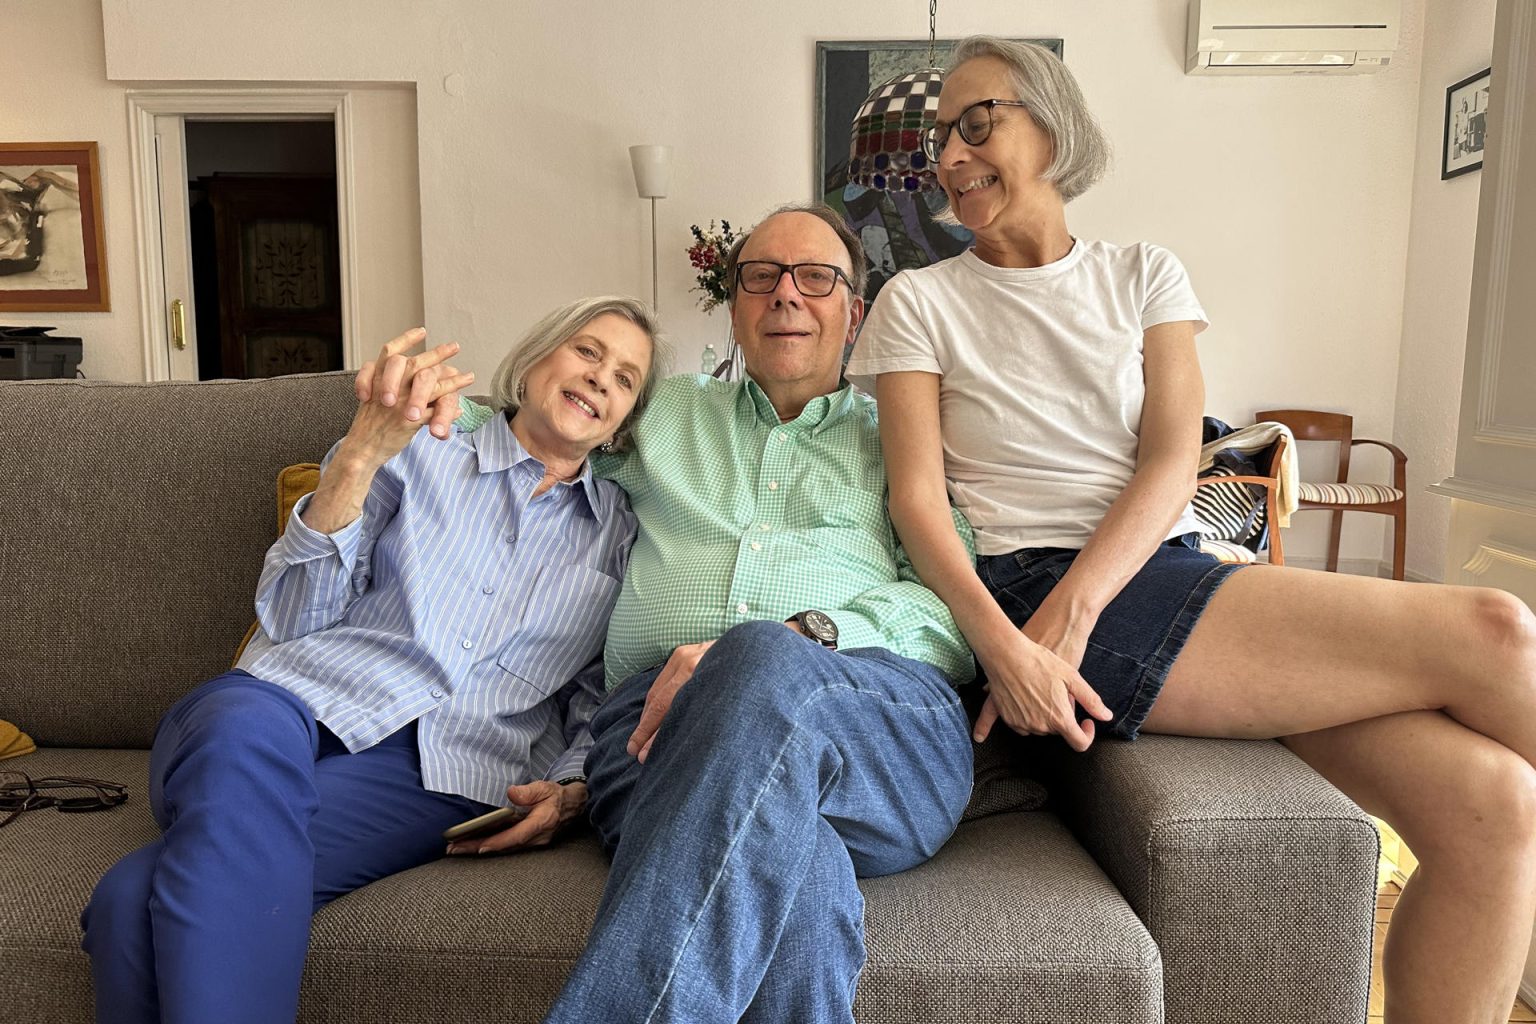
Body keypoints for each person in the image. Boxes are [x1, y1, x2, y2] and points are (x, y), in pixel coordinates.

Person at [846, 35, 1536, 1024]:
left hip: (1144, 574)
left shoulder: (1144, 273)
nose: (949, 155)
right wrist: (1011, 646)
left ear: (1051, 124)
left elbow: (1175, 460)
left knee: (1495, 805)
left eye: (976, 121)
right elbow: (917, 502)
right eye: (936, 138)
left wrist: (1080, 612)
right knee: (1497, 630)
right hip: (1031, 581)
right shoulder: (919, 301)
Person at [80, 296, 663, 1024]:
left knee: (128, 901)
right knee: (240, 734)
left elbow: (591, 693)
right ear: (536, 358)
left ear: (627, 419)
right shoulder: (416, 448)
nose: (602, 377)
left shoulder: (620, 535)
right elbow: (292, 618)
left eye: (627, 377)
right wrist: (359, 453)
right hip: (283, 705)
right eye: (587, 351)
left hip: (436, 773)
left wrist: (572, 788)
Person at [459, 204, 976, 1023]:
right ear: (734, 309)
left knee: (761, 657)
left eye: (816, 278)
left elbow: (951, 616)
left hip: (880, 719)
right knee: (795, 884)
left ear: (856, 313)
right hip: (650, 727)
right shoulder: (660, 414)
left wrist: (796, 639)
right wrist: (407, 413)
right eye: (760, 278)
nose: (786, 296)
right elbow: (524, 423)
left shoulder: (902, 436)